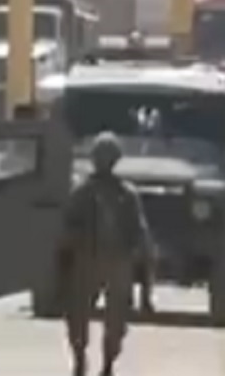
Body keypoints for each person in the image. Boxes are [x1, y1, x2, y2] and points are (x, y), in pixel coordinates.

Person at [61, 132, 154, 376]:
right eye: (100, 156)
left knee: (116, 319)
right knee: (77, 314)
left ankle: (108, 363)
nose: (104, 161)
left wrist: (145, 280)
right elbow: (66, 227)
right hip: (87, 258)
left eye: (108, 156)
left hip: (117, 260)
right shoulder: (81, 192)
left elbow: (140, 233)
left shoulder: (126, 194)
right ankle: (80, 358)